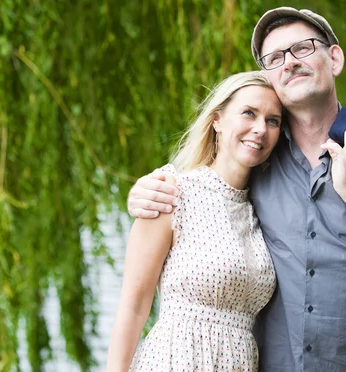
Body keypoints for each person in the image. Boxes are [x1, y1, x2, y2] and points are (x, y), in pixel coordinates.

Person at [127, 7, 346, 371]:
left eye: (303, 48)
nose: (289, 62)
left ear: (334, 59)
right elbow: (207, 191)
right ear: (271, 79)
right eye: (274, 58)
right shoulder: (260, 157)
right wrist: (147, 191)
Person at [107, 71, 284, 370]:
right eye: (249, 113)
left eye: (273, 121)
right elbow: (134, 308)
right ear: (217, 121)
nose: (260, 129)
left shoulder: (261, 209)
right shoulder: (172, 193)